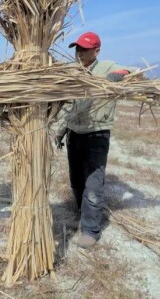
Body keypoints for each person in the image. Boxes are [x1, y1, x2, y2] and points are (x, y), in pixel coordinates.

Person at [55, 31, 136, 249]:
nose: (79, 53)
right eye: (77, 49)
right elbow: (67, 105)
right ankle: (82, 211)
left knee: (93, 184)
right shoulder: (73, 72)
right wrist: (59, 131)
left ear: (97, 51)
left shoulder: (106, 67)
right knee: (76, 180)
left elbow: (134, 72)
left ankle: (91, 229)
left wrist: (119, 74)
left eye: (85, 49)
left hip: (96, 134)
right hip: (74, 132)